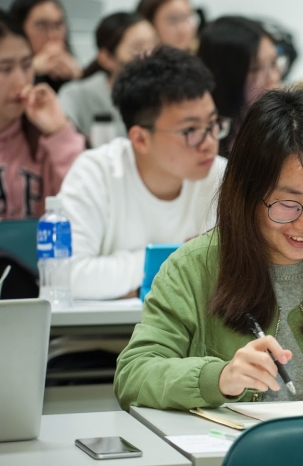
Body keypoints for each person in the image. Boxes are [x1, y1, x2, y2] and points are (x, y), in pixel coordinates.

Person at [113, 89, 303, 411]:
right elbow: (134, 373)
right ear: (248, 192)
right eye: (288, 204)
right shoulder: (193, 269)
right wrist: (219, 377)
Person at [57, 46, 227, 300]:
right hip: (96, 336)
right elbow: (67, 276)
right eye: (190, 130)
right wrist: (184, 256)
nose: (209, 142)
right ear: (140, 139)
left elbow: (234, 272)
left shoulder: (221, 175)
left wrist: (130, 282)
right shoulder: (95, 174)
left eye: (212, 124)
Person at [0, 10, 84, 220]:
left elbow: (86, 199)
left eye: (28, 65)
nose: (21, 80)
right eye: (5, 68)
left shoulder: (42, 134)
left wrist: (59, 131)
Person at [58, 12, 158, 142]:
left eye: (155, 45)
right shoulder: (75, 95)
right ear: (106, 58)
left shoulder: (166, 95)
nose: (150, 55)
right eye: (138, 48)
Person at [197, 16, 284, 154]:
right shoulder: (204, 139)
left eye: (274, 63)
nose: (273, 77)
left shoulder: (281, 120)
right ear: (225, 76)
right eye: (256, 69)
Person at [10, 0, 81, 92]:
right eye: (41, 26)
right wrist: (31, 70)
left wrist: (78, 76)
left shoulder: (71, 69)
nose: (53, 35)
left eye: (58, 25)